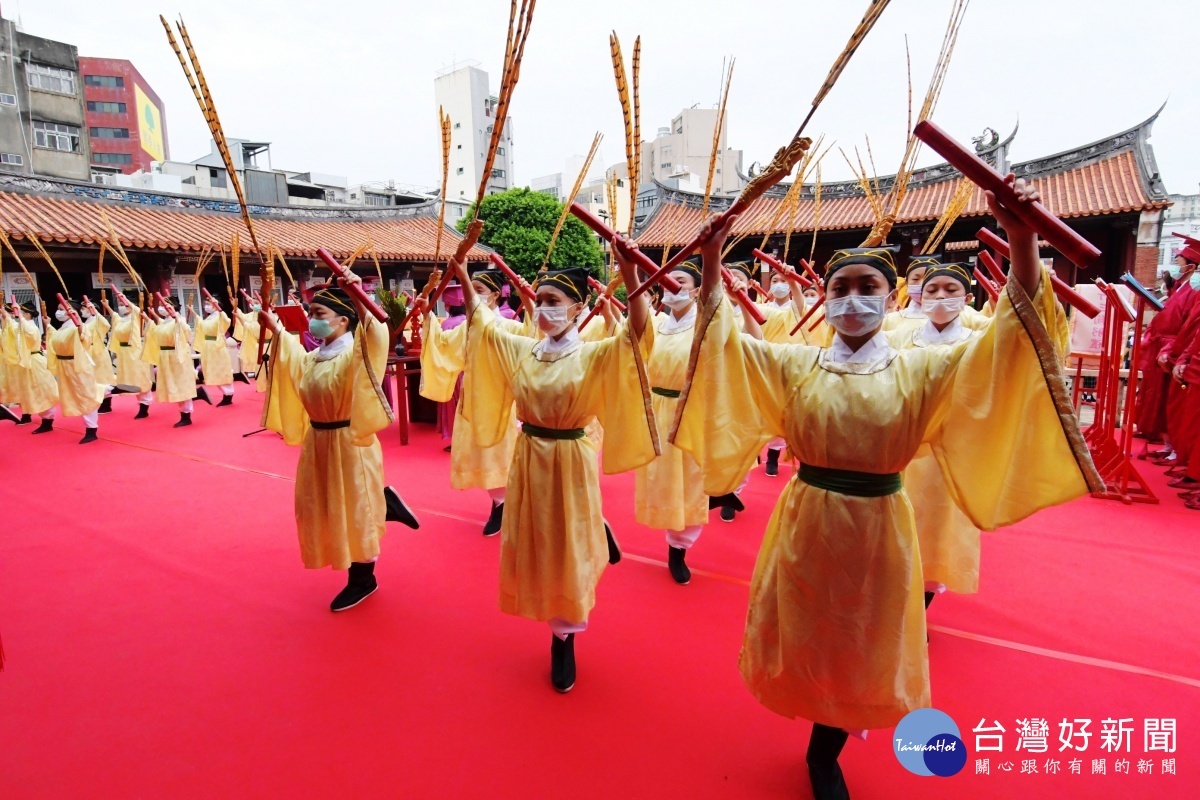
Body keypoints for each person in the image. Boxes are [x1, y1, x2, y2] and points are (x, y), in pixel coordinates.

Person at [671, 177, 1100, 800]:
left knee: (863, 638)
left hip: (880, 527)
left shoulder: (920, 368)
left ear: (891, 294)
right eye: (840, 288)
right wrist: (711, 262)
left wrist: (1022, 240)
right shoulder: (797, 364)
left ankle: (829, 749)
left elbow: (1008, 347)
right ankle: (818, 724)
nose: (852, 300)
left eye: (867, 288)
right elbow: (725, 349)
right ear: (825, 294)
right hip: (807, 518)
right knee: (811, 628)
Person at [453, 245, 657, 694]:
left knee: (568, 545)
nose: (544, 309)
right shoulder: (524, 351)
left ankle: (564, 636)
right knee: (537, 539)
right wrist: (464, 274)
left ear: (577, 308)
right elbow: (482, 326)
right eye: (540, 301)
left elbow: (637, 335)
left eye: (554, 301)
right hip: (527, 457)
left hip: (570, 459)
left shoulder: (592, 355)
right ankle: (577, 568)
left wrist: (628, 271)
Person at [260, 276, 420, 611]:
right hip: (318, 441)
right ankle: (384, 502)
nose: (311, 319)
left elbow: (375, 335)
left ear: (343, 320)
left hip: (350, 441)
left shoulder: (354, 354)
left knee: (356, 510)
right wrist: (276, 329)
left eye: (318, 312)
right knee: (327, 503)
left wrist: (358, 297)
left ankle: (364, 578)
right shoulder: (317, 356)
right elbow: (294, 361)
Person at [886, 262, 988, 613]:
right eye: (932, 290)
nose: (940, 297)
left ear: (968, 298)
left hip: (950, 451)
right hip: (902, 445)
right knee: (896, 523)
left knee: (938, 530)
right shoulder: (898, 338)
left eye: (950, 290)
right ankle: (893, 596)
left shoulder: (979, 343)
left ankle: (921, 607)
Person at [634, 258, 738, 584]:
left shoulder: (707, 321)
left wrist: (712, 258)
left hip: (692, 409)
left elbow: (718, 307)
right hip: (658, 410)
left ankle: (679, 547)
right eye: (666, 280)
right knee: (664, 480)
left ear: (695, 292)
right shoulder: (658, 322)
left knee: (691, 482)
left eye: (679, 280)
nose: (670, 285)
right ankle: (719, 494)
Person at [419, 268, 534, 536]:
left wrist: (529, 301)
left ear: (495, 295)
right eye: (473, 291)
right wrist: (427, 315)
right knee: (481, 456)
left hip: (502, 400)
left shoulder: (508, 326)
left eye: (480, 292)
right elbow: (443, 346)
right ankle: (500, 503)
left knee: (502, 455)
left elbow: (534, 339)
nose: (473, 297)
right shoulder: (466, 328)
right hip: (472, 398)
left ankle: (506, 504)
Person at [1138, 246, 1199, 461]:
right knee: (1160, 399)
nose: (1174, 264)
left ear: (1191, 266)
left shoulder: (1192, 293)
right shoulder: (1176, 290)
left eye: (1178, 260)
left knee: (1172, 401)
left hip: (1175, 349)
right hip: (1164, 347)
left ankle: (1176, 447)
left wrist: (1174, 352)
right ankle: (1166, 443)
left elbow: (1188, 328)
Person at [44, 297, 106, 443]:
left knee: (86, 396)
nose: (58, 312)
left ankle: (92, 430)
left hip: (76, 365)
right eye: (58, 309)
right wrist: (48, 326)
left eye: (61, 309)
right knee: (79, 394)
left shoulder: (76, 326)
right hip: (64, 366)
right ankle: (109, 389)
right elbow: (55, 340)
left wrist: (78, 320)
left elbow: (83, 334)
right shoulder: (63, 328)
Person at [141, 297, 199, 427]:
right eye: (161, 305)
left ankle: (186, 415)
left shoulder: (178, 320)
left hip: (176, 356)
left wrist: (176, 316)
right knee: (172, 385)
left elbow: (186, 330)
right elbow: (157, 330)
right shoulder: (165, 321)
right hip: (165, 357)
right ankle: (189, 406)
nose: (161, 307)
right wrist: (148, 318)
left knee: (181, 385)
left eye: (165, 305)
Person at [0, 301, 57, 426]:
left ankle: (48, 420)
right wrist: (5, 316)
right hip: (25, 362)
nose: (18, 314)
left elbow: (27, 332)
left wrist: (9, 317)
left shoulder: (32, 327)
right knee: (26, 390)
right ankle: (27, 413)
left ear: (27, 315)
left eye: (21, 312)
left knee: (40, 390)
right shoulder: (22, 326)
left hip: (34, 361)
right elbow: (12, 329)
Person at [106, 292, 154, 418]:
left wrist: (126, 299)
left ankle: (144, 406)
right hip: (123, 353)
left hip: (134, 351)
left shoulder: (136, 317)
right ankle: (139, 402)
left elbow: (138, 311)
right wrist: (107, 306)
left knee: (140, 378)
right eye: (120, 304)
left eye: (123, 304)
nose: (121, 306)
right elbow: (115, 316)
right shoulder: (122, 320)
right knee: (128, 379)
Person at [194, 296, 235, 406]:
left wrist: (220, 309)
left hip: (217, 346)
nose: (206, 306)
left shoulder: (219, 316)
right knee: (210, 370)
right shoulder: (209, 318)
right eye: (206, 304)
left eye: (209, 304)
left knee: (220, 370)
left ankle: (228, 394)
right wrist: (195, 315)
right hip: (208, 346)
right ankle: (225, 393)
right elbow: (202, 327)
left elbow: (227, 321)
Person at [80, 297, 117, 415]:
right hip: (88, 351)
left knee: (102, 378)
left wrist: (95, 312)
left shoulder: (97, 319)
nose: (81, 311)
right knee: (93, 378)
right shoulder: (87, 321)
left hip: (98, 351)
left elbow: (106, 325)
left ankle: (106, 405)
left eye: (83, 308)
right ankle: (96, 401)